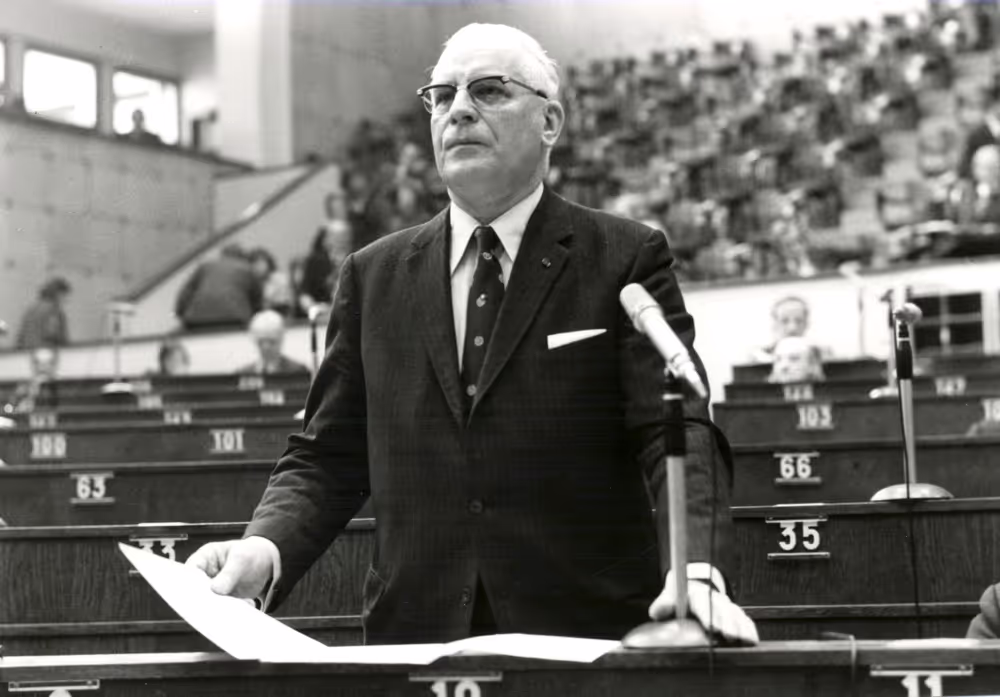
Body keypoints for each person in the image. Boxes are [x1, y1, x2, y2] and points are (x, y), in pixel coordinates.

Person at [189, 23, 755, 646]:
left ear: (550, 123)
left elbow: (676, 430)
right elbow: (328, 454)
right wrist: (266, 546)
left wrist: (695, 566)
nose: (458, 110)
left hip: (585, 633)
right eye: (441, 95)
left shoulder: (624, 257)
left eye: (488, 91)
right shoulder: (372, 276)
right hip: (419, 634)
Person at [174, 245, 263, 331]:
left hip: (196, 321)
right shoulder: (247, 269)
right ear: (242, 257)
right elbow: (257, 300)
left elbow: (185, 294)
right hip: (235, 320)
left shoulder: (205, 266)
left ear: (222, 255)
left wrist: (180, 314)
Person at [236, 310, 309, 376]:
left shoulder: (298, 371)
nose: (266, 347)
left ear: (281, 339)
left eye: (271, 341)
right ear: (254, 341)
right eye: (261, 342)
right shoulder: (243, 373)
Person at [17, 278, 71, 350]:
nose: (66, 300)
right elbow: (53, 335)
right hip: (44, 354)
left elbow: (21, 337)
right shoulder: (54, 311)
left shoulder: (31, 309)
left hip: (24, 353)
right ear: (58, 294)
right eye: (65, 296)